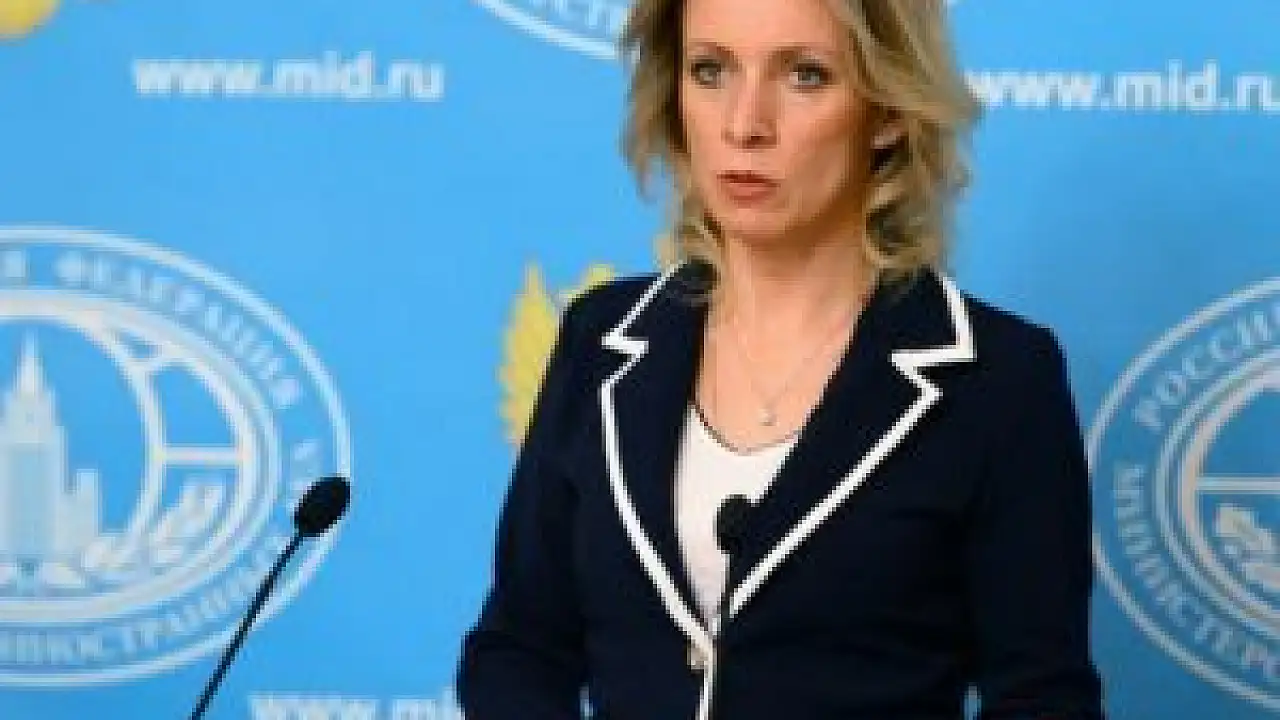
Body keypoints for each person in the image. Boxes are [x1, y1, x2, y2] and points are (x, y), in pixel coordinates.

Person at [456, 0, 1105, 717]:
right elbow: (519, 648)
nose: (744, 125)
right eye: (711, 71)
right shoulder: (600, 340)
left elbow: (1041, 699)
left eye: (804, 75)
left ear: (888, 111)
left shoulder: (999, 380)